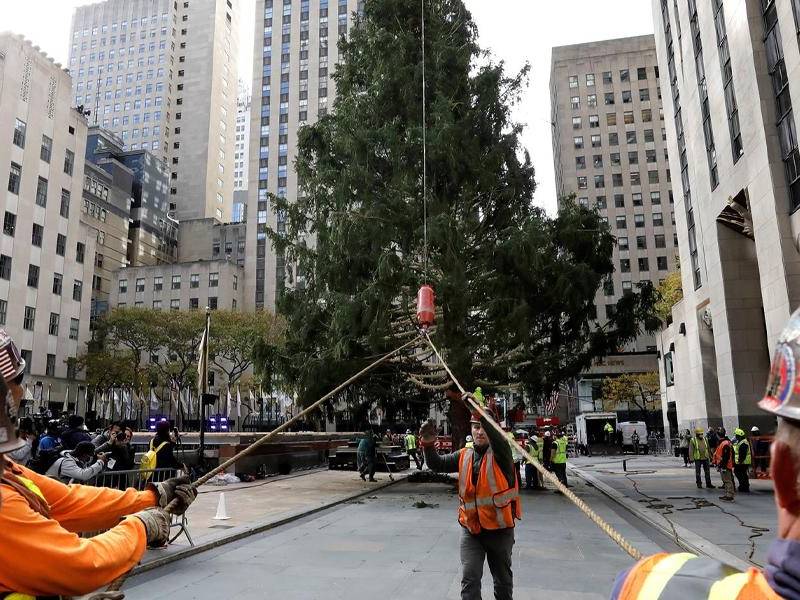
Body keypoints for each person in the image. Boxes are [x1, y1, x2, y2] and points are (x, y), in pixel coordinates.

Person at [610, 308, 800, 599]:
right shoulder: (719, 442)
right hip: (708, 463)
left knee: (726, 480)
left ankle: (727, 489)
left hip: (718, 465)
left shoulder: (649, 585)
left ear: (780, 469)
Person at [0, 328, 197, 599]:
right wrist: (140, 527)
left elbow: (70, 501)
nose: (22, 393)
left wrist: (152, 497)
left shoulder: (8, 472)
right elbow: (76, 564)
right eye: (17, 382)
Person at [419, 402, 521, 600]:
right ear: (471, 429)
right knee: (469, 580)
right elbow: (436, 464)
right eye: (475, 426)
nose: (480, 431)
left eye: (483, 426)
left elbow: (498, 438)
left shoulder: (502, 454)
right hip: (471, 530)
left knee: (502, 581)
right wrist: (428, 444)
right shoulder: (464, 455)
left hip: (499, 532)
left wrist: (480, 413)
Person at [714, 431, 735, 502]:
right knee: (726, 480)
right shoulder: (726, 443)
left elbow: (726, 457)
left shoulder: (724, 444)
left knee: (727, 480)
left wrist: (722, 466)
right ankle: (728, 494)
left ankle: (729, 496)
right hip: (725, 465)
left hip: (725, 465)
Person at [731, 427, 752, 493]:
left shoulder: (743, 443)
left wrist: (740, 461)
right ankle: (744, 486)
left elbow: (742, 454)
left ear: (739, 436)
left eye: (736, 436)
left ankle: (743, 486)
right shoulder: (742, 442)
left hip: (743, 462)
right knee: (743, 474)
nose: (735, 437)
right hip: (743, 462)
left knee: (739, 473)